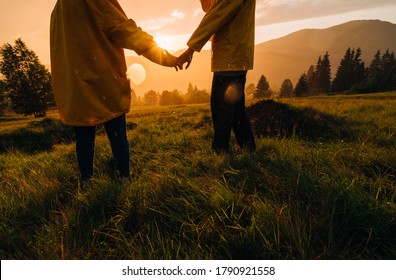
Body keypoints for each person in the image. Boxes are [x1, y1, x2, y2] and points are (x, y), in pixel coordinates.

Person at [50, 0, 181, 182]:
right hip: (103, 81)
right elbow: (126, 31)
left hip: (75, 84)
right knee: (117, 132)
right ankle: (124, 179)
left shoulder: (60, 6)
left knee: (84, 137)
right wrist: (167, 58)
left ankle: (86, 182)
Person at [177, 0, 256, 154]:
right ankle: (249, 149)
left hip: (231, 56)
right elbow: (209, 7)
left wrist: (191, 49)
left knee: (221, 108)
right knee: (236, 110)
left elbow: (216, 13)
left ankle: (220, 152)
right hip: (234, 55)